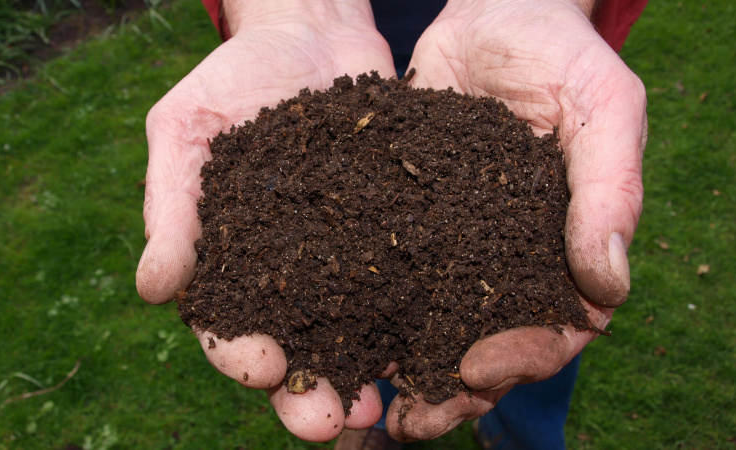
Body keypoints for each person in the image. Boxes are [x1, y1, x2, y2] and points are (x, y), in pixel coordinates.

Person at [136, 0, 647, 447]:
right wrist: (289, 10)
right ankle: (374, 406)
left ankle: (522, 435)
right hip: (337, 25)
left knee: (532, 333)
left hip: (496, 36)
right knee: (366, 329)